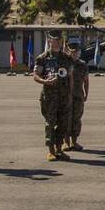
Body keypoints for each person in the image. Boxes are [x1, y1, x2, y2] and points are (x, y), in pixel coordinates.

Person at [32, 30, 72, 161]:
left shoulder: (67, 57)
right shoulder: (42, 58)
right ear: (49, 41)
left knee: (63, 123)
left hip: (64, 96)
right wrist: (45, 81)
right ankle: (51, 150)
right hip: (49, 97)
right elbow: (36, 75)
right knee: (50, 123)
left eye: (59, 40)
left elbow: (70, 76)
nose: (57, 42)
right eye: (55, 40)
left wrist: (70, 93)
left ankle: (59, 149)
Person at [64, 40, 90, 151]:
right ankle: (66, 143)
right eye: (72, 52)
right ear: (68, 52)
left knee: (76, 119)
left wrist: (86, 94)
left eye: (76, 52)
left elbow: (86, 80)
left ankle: (74, 142)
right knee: (66, 119)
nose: (74, 54)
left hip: (78, 95)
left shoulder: (83, 65)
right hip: (66, 96)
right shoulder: (64, 63)